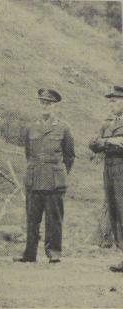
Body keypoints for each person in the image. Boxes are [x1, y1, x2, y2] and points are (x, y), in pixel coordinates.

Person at [14, 89, 75, 263]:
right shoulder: (31, 127)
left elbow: (69, 156)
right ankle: (29, 253)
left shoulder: (64, 128)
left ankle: (54, 252)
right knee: (32, 218)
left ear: (55, 106)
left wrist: (59, 173)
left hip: (54, 180)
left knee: (54, 218)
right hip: (34, 178)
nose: (45, 106)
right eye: (43, 103)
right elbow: (28, 153)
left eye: (49, 103)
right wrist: (36, 168)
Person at [89, 85, 123, 272]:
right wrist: (111, 142)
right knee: (115, 212)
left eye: (115, 101)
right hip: (109, 171)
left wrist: (106, 142)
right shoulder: (107, 123)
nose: (111, 105)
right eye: (110, 101)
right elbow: (93, 143)